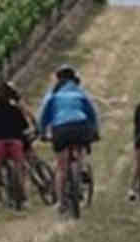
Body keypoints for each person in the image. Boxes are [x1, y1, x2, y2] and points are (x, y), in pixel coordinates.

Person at [37, 64, 99, 212]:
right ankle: (80, 168)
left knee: (61, 167)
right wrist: (95, 131)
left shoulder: (53, 94)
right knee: (81, 147)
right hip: (80, 126)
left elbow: (43, 116)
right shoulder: (80, 92)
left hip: (60, 129)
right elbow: (92, 113)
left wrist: (42, 133)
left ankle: (61, 203)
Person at [0, 82, 30, 209]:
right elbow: (25, 126)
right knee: (20, 170)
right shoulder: (16, 110)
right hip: (15, 141)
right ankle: (24, 199)